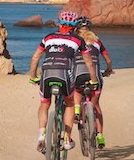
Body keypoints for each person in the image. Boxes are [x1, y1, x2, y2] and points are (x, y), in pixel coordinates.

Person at [28, 10, 97, 152]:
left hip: (46, 73)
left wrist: (33, 76)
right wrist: (94, 80)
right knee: (70, 103)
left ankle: (42, 135)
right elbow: (89, 62)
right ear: (75, 27)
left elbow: (35, 58)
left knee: (44, 103)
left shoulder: (48, 38)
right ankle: (67, 138)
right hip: (65, 74)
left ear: (59, 24)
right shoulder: (78, 40)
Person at [72, 16, 114, 148]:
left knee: (77, 90)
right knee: (96, 106)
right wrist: (108, 70)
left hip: (78, 74)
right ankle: (100, 137)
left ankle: (77, 109)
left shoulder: (74, 41)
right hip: (95, 76)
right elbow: (108, 59)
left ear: (77, 29)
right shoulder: (97, 41)